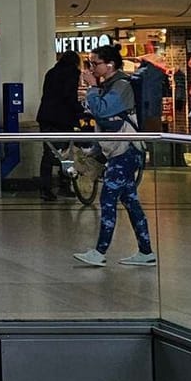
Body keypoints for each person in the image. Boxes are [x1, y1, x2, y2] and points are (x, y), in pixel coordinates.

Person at [74, 45, 156, 268]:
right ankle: (146, 251)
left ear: (109, 64)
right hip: (120, 151)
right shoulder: (110, 86)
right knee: (130, 201)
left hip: (125, 153)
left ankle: (100, 251)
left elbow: (102, 111)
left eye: (94, 63)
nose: (91, 68)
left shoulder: (120, 86)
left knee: (108, 199)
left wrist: (91, 87)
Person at [35, 50, 82, 202]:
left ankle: (45, 188)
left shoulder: (51, 72)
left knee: (48, 153)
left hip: (46, 117)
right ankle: (64, 185)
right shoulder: (73, 72)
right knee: (66, 153)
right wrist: (80, 111)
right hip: (63, 119)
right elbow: (70, 96)